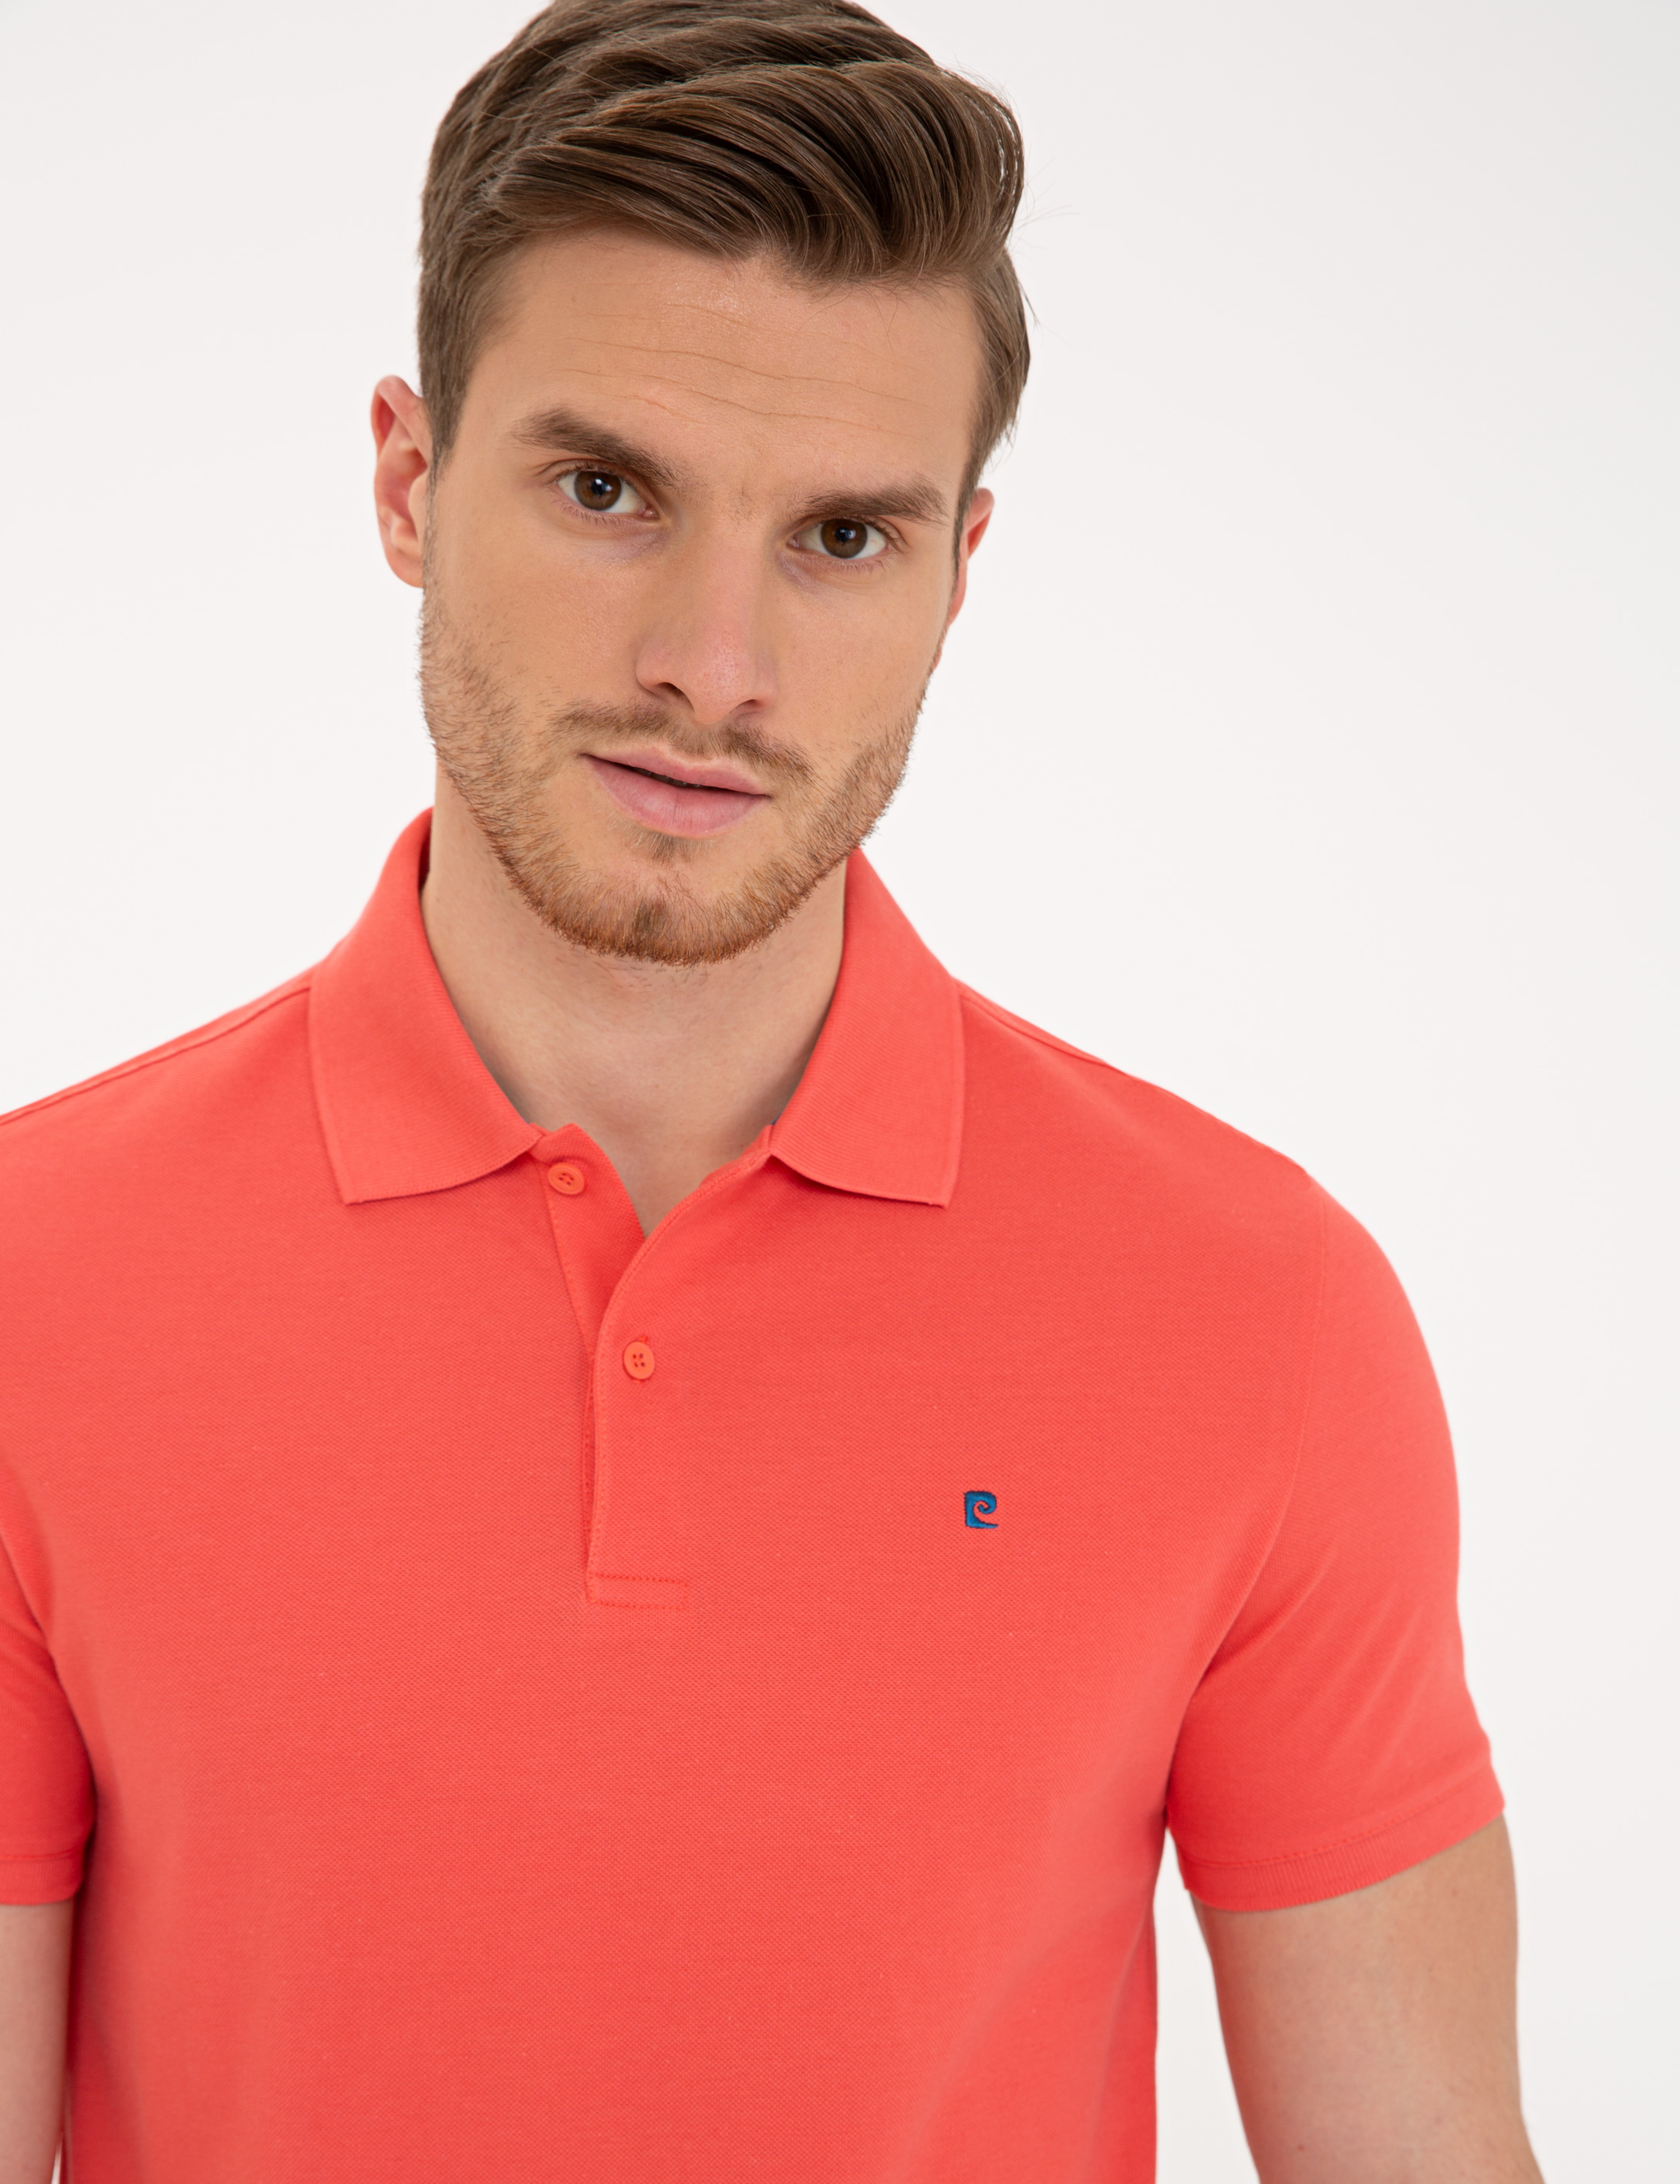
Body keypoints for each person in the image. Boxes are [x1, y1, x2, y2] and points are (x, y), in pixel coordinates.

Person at [0, 2, 1543, 2177]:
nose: (712, 668)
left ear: (959, 571)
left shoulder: (1258, 1315)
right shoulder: (36, 1286)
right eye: (605, 490)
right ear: (408, 482)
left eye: (839, 537)